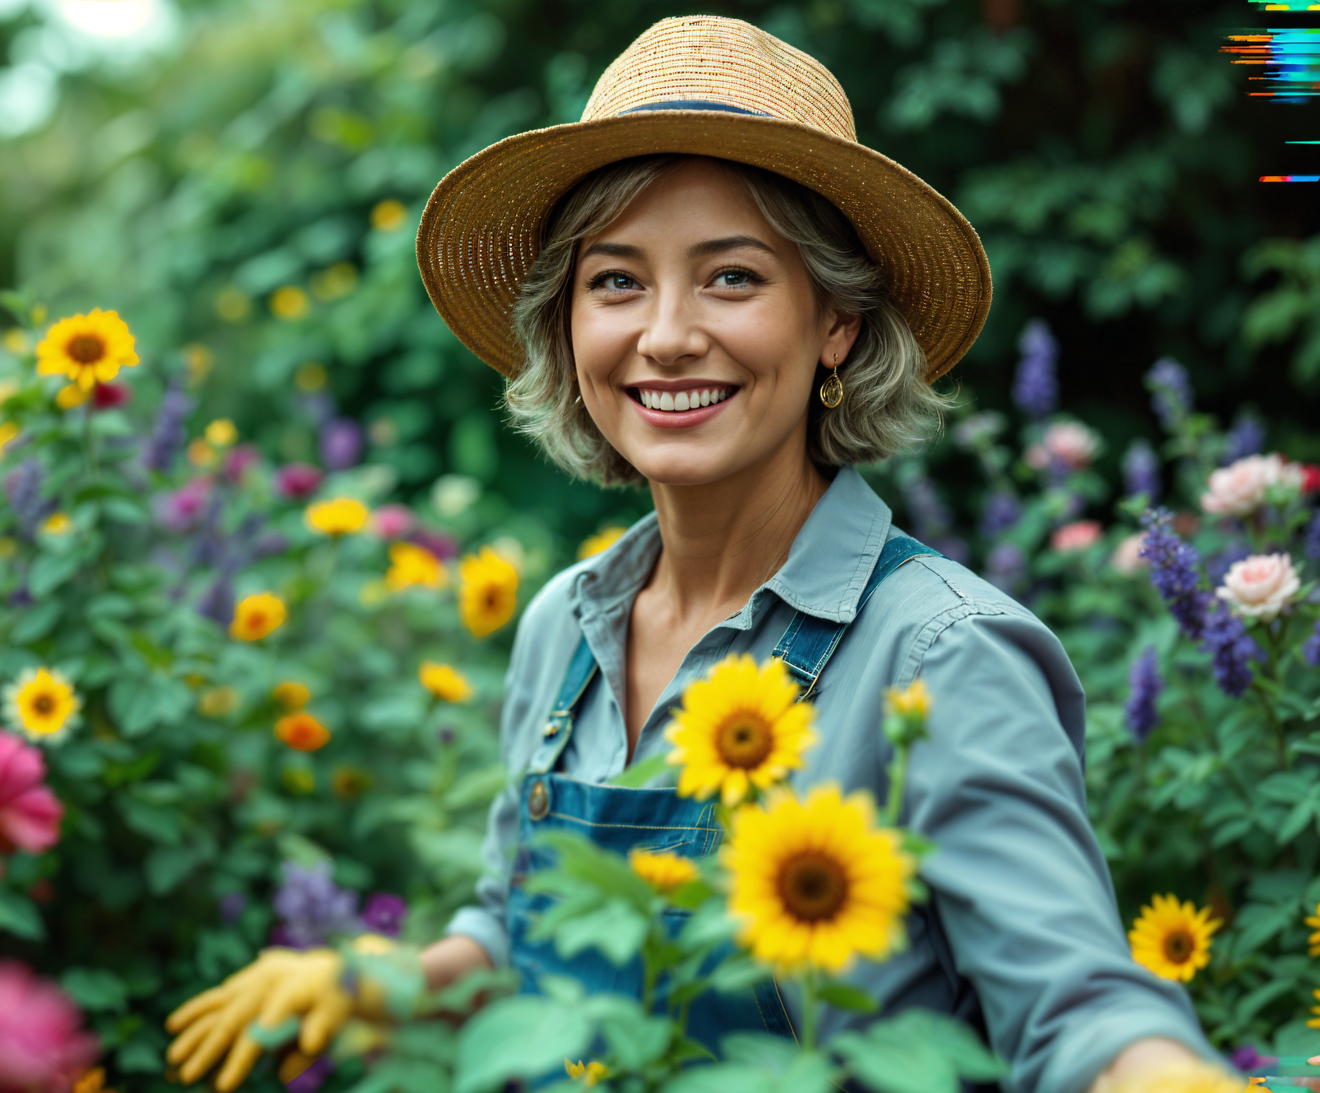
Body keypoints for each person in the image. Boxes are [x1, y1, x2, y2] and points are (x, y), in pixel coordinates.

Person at [165, 16, 1229, 1093]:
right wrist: (379, 982)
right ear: (567, 328)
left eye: (730, 277)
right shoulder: (565, 626)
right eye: (616, 281)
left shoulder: (942, 654)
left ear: (838, 325)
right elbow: (515, 925)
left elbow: (1077, 1006)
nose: (665, 334)